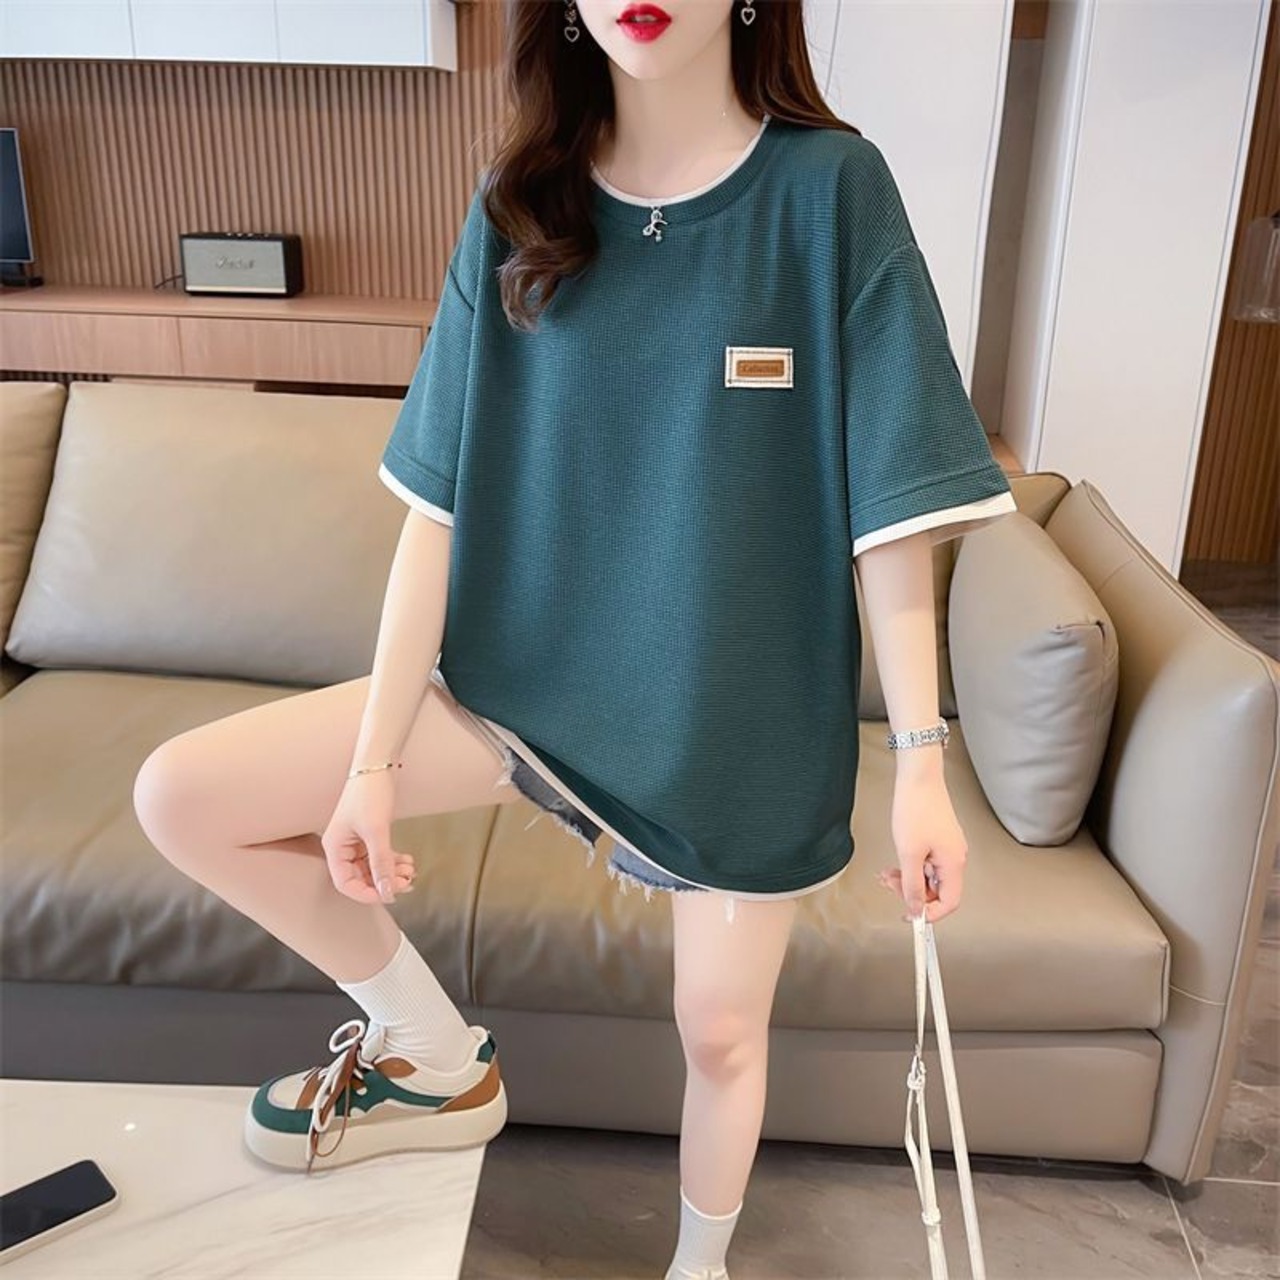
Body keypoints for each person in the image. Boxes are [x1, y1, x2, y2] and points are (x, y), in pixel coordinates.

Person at [132, 1, 1017, 1276]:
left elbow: (892, 509)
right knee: (184, 794)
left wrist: (922, 764)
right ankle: (431, 1053)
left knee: (720, 1032)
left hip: (732, 726)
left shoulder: (829, 192)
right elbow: (435, 513)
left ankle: (697, 1266)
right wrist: (374, 761)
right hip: (519, 692)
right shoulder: (517, 205)